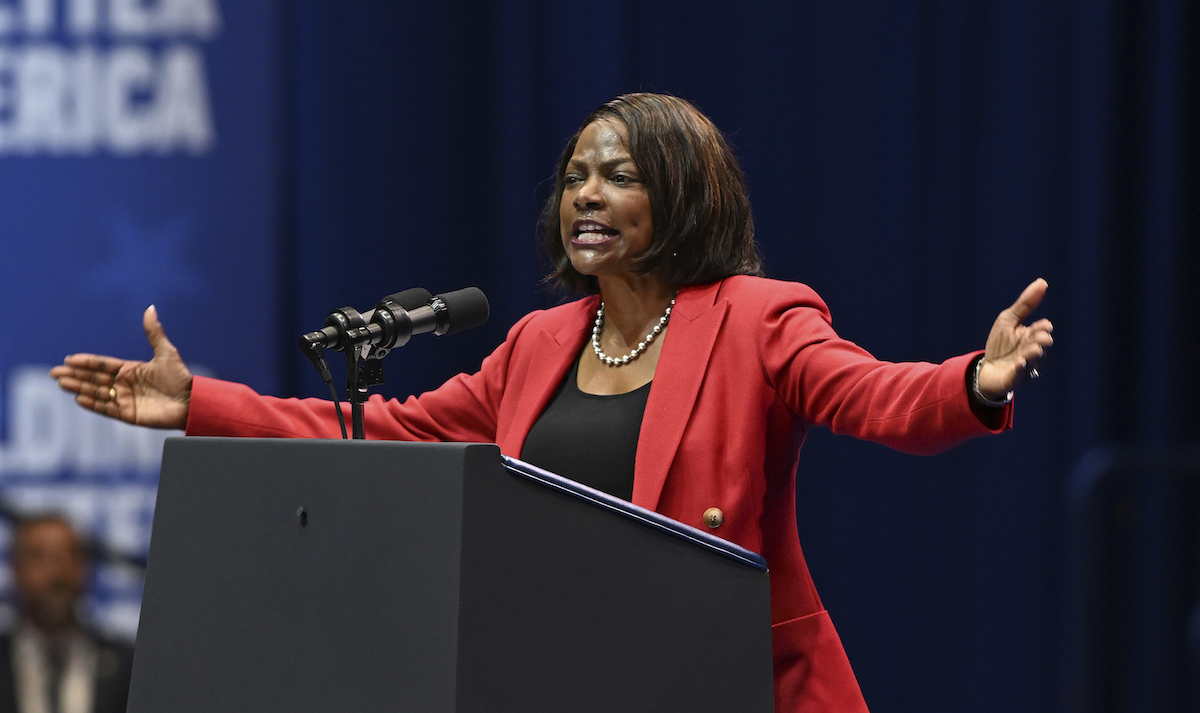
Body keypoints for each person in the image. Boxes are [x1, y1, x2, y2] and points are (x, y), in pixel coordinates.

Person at [50, 93, 1053, 712]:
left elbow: (870, 394)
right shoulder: (540, 341)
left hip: (728, 681)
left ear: (683, 198)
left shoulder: (756, 317)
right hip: (566, 679)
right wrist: (198, 403)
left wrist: (973, 377)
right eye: (575, 174)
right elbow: (387, 429)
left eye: (619, 175)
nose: (585, 193)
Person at [0, 515, 134, 713]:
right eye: (39, 556)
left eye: (70, 555)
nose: (57, 571)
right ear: (16, 569)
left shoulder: (127, 665)